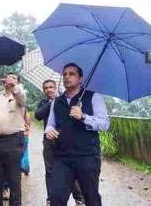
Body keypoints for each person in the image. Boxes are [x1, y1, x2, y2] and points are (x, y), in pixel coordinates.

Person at [45, 63, 110, 206]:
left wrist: (83, 117)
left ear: (80, 78)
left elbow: (105, 123)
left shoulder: (93, 97)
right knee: (56, 198)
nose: (67, 77)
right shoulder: (57, 101)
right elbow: (51, 124)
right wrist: (49, 131)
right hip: (62, 157)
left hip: (87, 156)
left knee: (91, 197)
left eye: (72, 74)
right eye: (65, 74)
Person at [36, 78, 85, 206]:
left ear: (56, 87)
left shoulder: (66, 101)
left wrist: (59, 101)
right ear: (43, 90)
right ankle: (50, 199)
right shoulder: (43, 103)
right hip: (49, 142)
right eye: (46, 88)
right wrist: (52, 102)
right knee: (50, 171)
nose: (49, 90)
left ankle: (79, 198)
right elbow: (38, 115)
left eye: (51, 87)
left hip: (66, 142)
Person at [0, 72, 26, 206]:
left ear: (17, 82)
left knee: (14, 178)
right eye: (8, 77)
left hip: (14, 141)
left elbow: (22, 98)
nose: (10, 79)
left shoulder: (20, 94)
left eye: (13, 78)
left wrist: (15, 87)